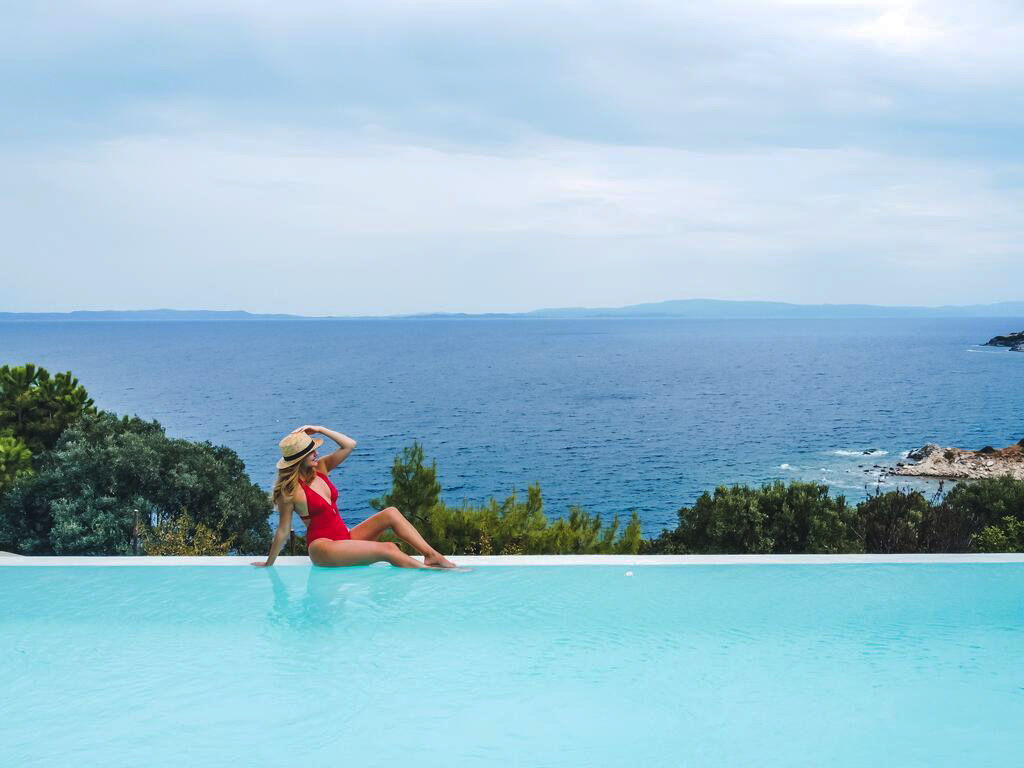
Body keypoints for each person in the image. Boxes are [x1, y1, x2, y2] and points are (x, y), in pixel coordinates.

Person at [252, 425, 457, 569]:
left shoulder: (320, 468)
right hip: (323, 547)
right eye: (311, 452)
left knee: (391, 513)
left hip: (345, 537)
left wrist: (320, 429)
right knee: (388, 548)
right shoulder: (289, 491)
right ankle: (431, 574)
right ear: (298, 459)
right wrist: (269, 563)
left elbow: (349, 445)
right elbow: (283, 530)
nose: (316, 454)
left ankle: (431, 556)